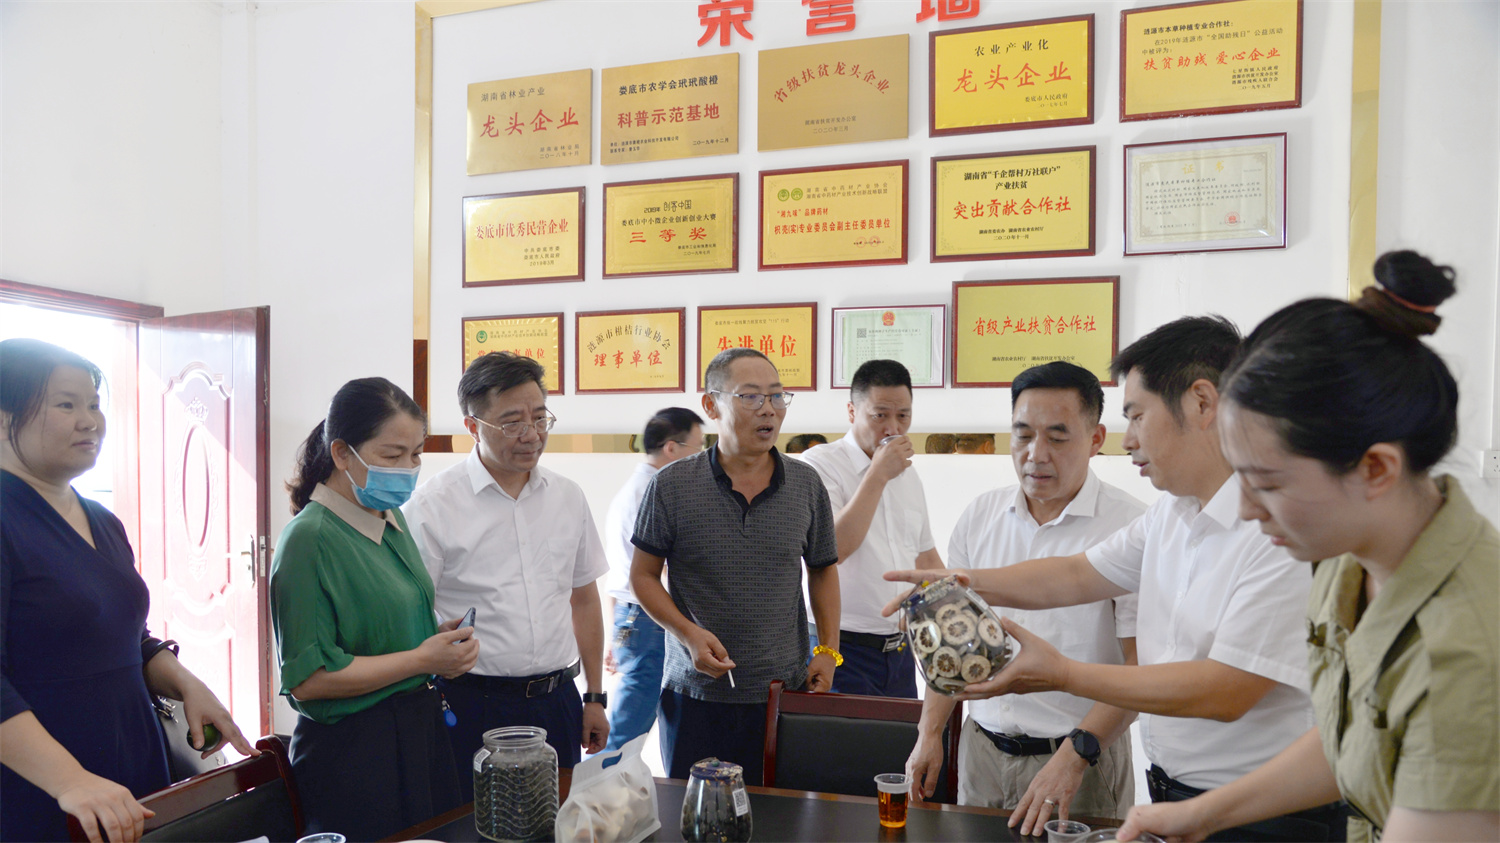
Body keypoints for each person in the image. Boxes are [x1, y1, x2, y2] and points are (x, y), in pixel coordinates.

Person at [888, 316, 1342, 842]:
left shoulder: (1276, 528)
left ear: (1201, 403)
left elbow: (1226, 691)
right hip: (1178, 797)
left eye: (1138, 416)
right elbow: (1075, 574)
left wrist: (1062, 674)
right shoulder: (1172, 514)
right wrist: (959, 580)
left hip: (1265, 815)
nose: (1130, 440)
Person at [1118, 252, 1499, 843]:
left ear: (1375, 469)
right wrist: (1200, 815)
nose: (1246, 509)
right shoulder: (1348, 559)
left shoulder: (1463, 654)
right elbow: (1351, 737)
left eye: (1267, 484)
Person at [1, 339, 254, 843]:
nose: (90, 421)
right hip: (44, 786)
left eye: (94, 404)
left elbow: (126, 636)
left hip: (131, 765)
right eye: (66, 404)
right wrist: (69, 781)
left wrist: (186, 685)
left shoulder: (102, 520)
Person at [905, 362, 1145, 836]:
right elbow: (954, 648)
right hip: (982, 753)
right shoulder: (980, 516)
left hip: (1080, 758)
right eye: (1023, 435)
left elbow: (1140, 668)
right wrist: (929, 733)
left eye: (1057, 437)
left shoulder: (1130, 527)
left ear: (1096, 439)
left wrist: (1075, 757)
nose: (1036, 454)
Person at [271, 376, 474, 841]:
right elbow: (308, 680)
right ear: (342, 454)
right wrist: (421, 659)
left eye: (416, 454)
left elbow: (382, 625)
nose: (408, 468)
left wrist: (434, 638)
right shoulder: (309, 539)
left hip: (417, 729)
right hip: (355, 751)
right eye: (392, 455)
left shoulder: (389, 516)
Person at [629, 348, 840, 783]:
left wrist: (828, 650)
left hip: (782, 693)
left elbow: (823, 569)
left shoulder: (805, 484)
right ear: (711, 405)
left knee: (779, 814)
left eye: (777, 396)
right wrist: (688, 633)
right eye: (751, 397)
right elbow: (642, 576)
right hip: (694, 694)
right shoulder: (672, 485)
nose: (769, 409)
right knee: (696, 812)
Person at [403, 352, 608, 798]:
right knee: (474, 822)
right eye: (512, 422)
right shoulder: (433, 506)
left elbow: (584, 598)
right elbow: (411, 612)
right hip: (473, 704)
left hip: (558, 701)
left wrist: (594, 696)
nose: (531, 434)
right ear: (472, 426)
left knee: (560, 818)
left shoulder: (567, 497)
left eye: (540, 418)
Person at [798, 359, 942, 697]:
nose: (893, 428)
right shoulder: (819, 465)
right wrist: (878, 474)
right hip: (838, 649)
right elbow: (833, 549)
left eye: (903, 416)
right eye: (880, 415)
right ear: (852, 412)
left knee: (901, 734)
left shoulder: (908, 475)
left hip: (901, 650)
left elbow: (925, 558)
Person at [602, 407, 704, 752]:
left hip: (634, 617)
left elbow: (618, 574)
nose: (702, 458)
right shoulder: (652, 493)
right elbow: (655, 571)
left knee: (651, 721)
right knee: (626, 734)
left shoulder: (634, 489)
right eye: (699, 448)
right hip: (649, 620)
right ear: (671, 448)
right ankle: (601, 785)